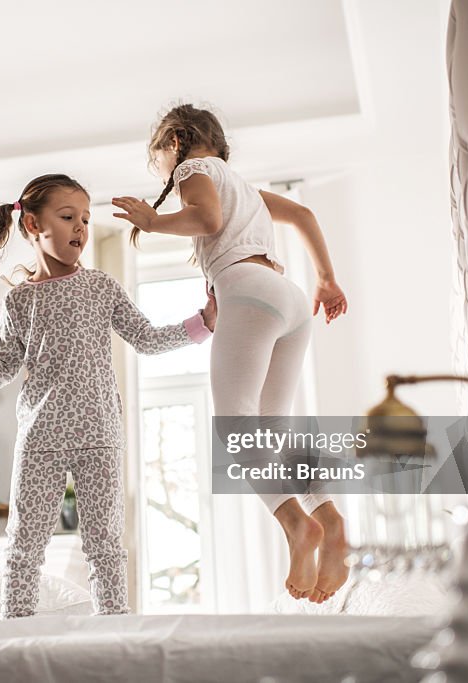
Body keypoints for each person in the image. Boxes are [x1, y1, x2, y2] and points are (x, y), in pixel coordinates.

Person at [0, 173, 215, 618]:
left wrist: (204, 321)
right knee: (24, 547)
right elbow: (2, 368)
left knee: (106, 545)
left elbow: (146, 339)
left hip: (99, 433)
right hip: (41, 436)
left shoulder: (101, 287)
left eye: (85, 218)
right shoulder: (19, 302)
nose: (81, 228)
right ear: (32, 225)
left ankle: (114, 633)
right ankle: (16, 635)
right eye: (68, 217)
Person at [112, 104, 349, 604]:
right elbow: (304, 214)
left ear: (174, 143)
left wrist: (154, 220)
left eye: (158, 161)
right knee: (273, 426)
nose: (162, 173)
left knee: (236, 425)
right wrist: (326, 278)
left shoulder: (193, 170)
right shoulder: (243, 186)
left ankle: (297, 526)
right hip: (288, 297)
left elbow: (207, 217)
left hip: (249, 291)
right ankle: (329, 518)